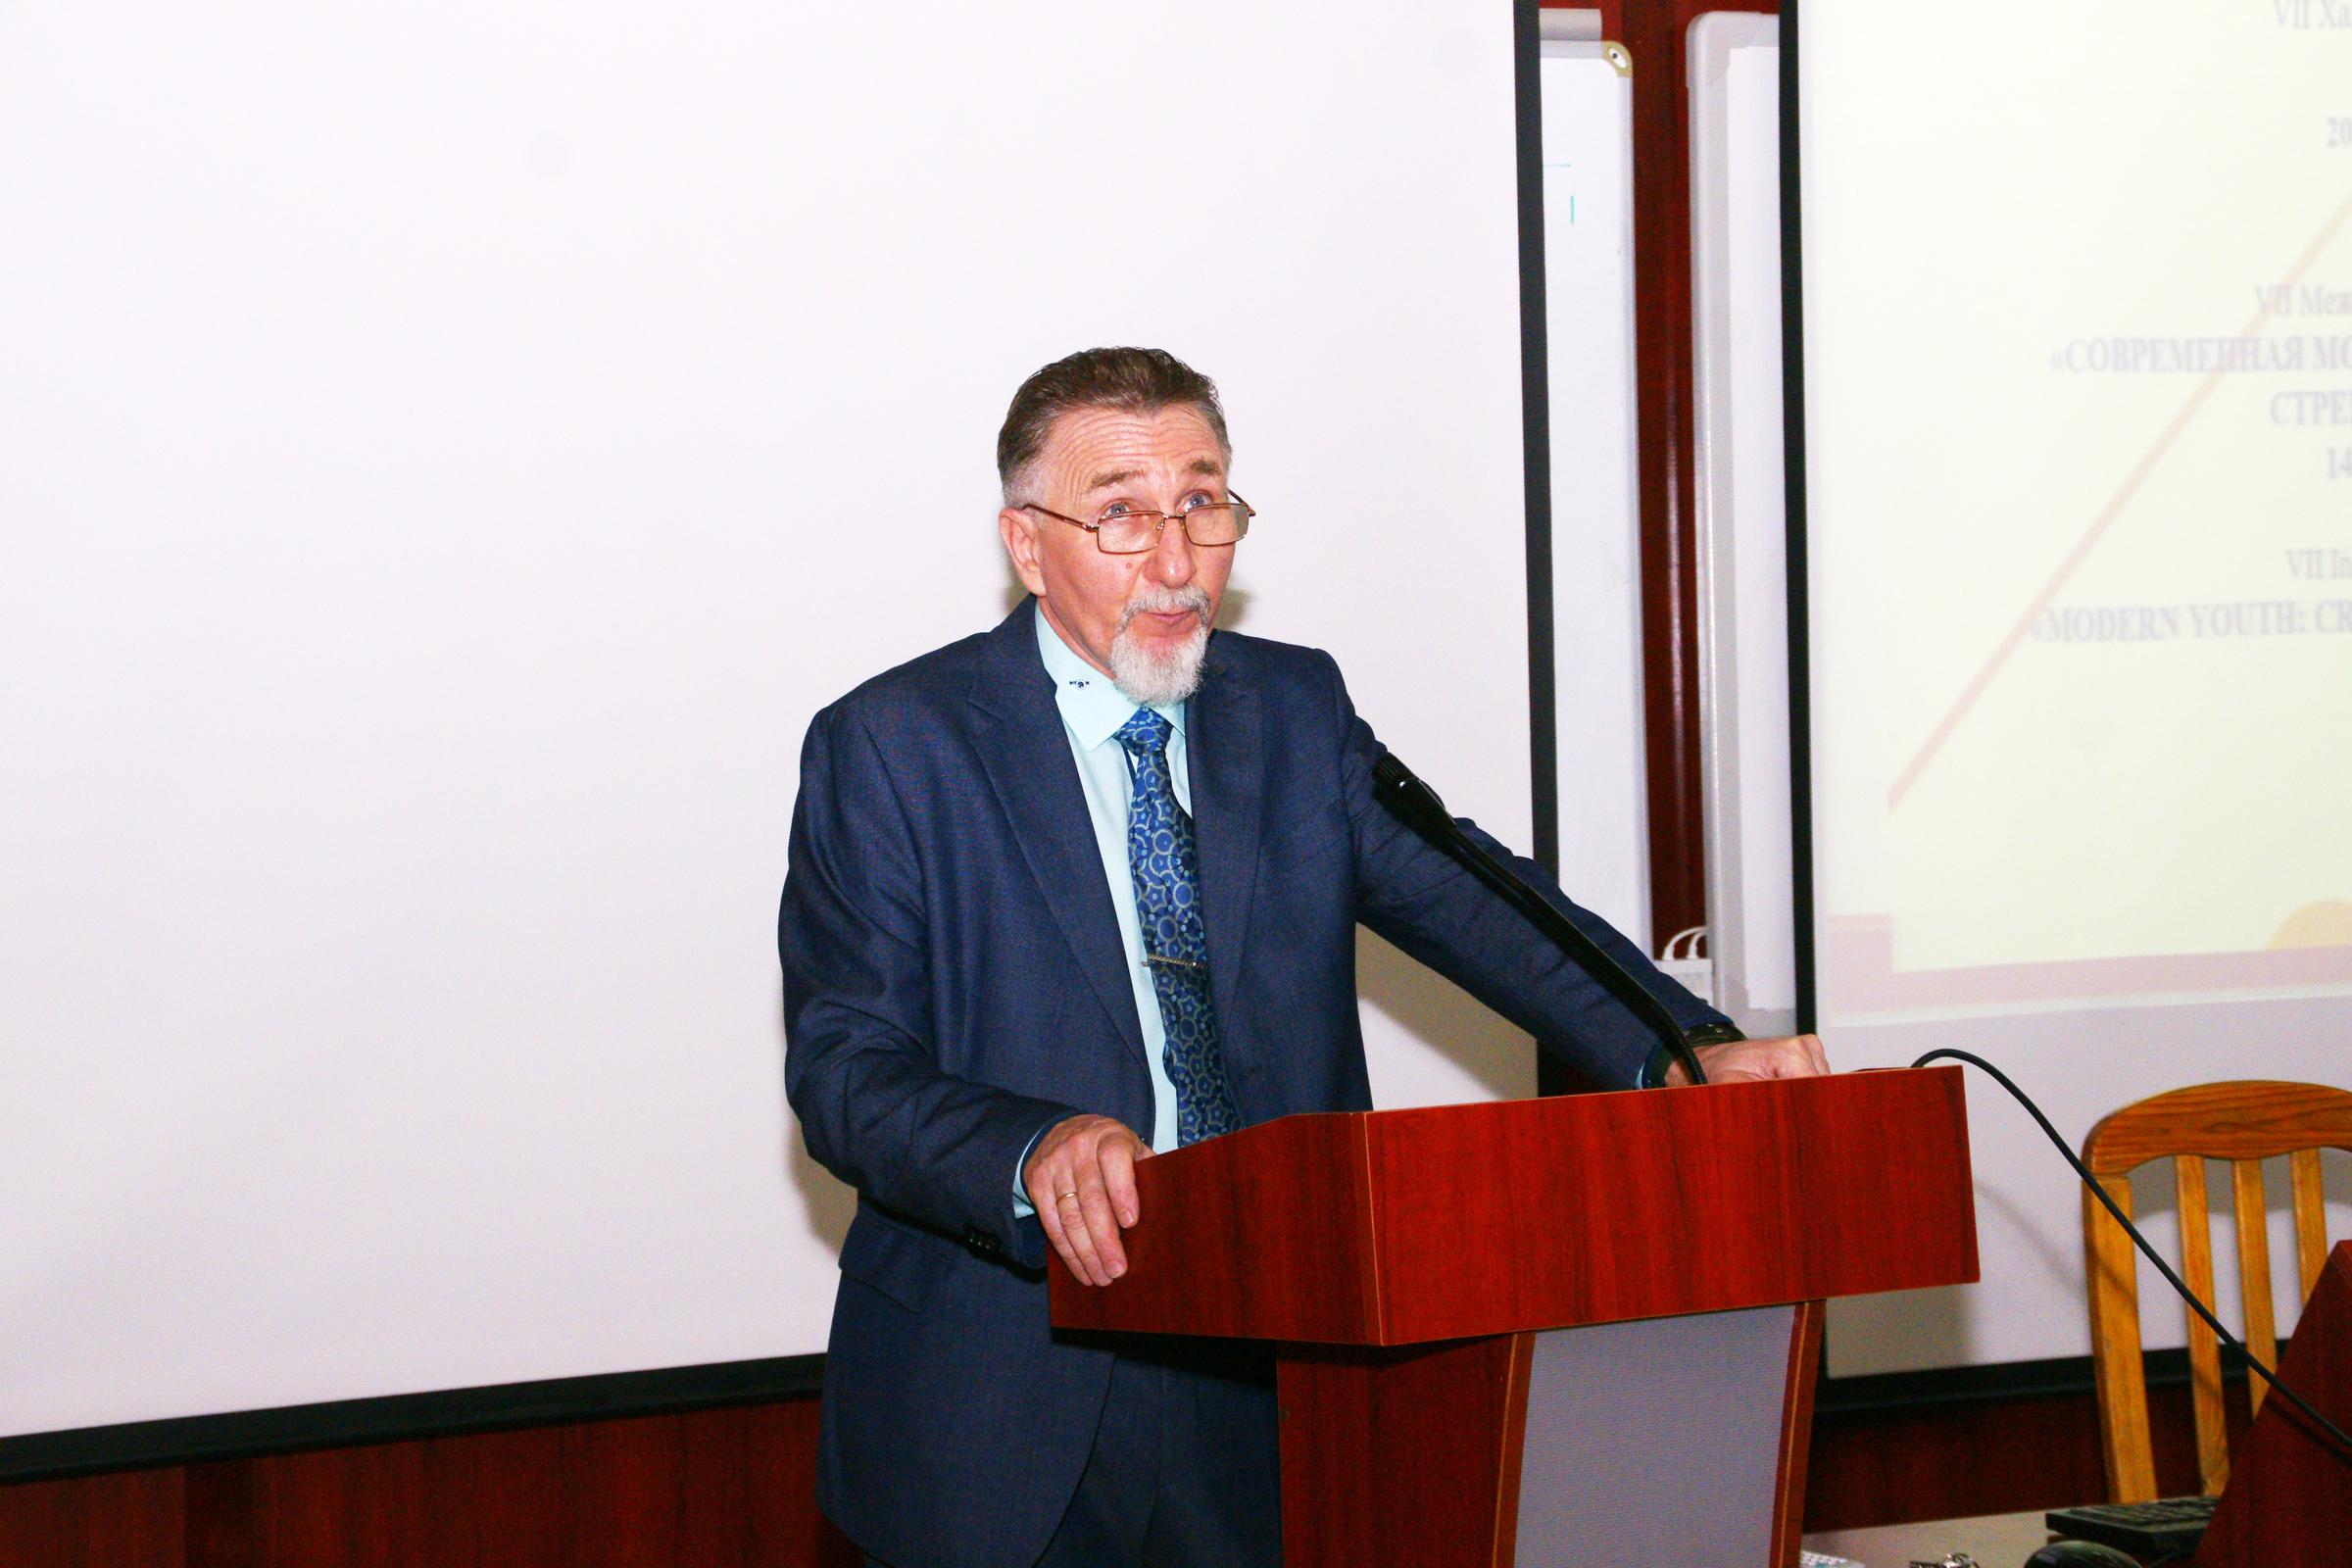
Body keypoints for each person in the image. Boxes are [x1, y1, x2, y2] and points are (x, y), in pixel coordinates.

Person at [779, 347, 1829, 1568]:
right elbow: (846, 1067)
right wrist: (1028, 1148)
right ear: (1026, 543)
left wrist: (1684, 1048)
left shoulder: (1292, 709)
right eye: (1121, 514)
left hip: (1272, 1371)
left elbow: (1481, 905)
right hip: (1002, 1388)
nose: (1176, 560)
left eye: (1202, 503)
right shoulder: (895, 745)